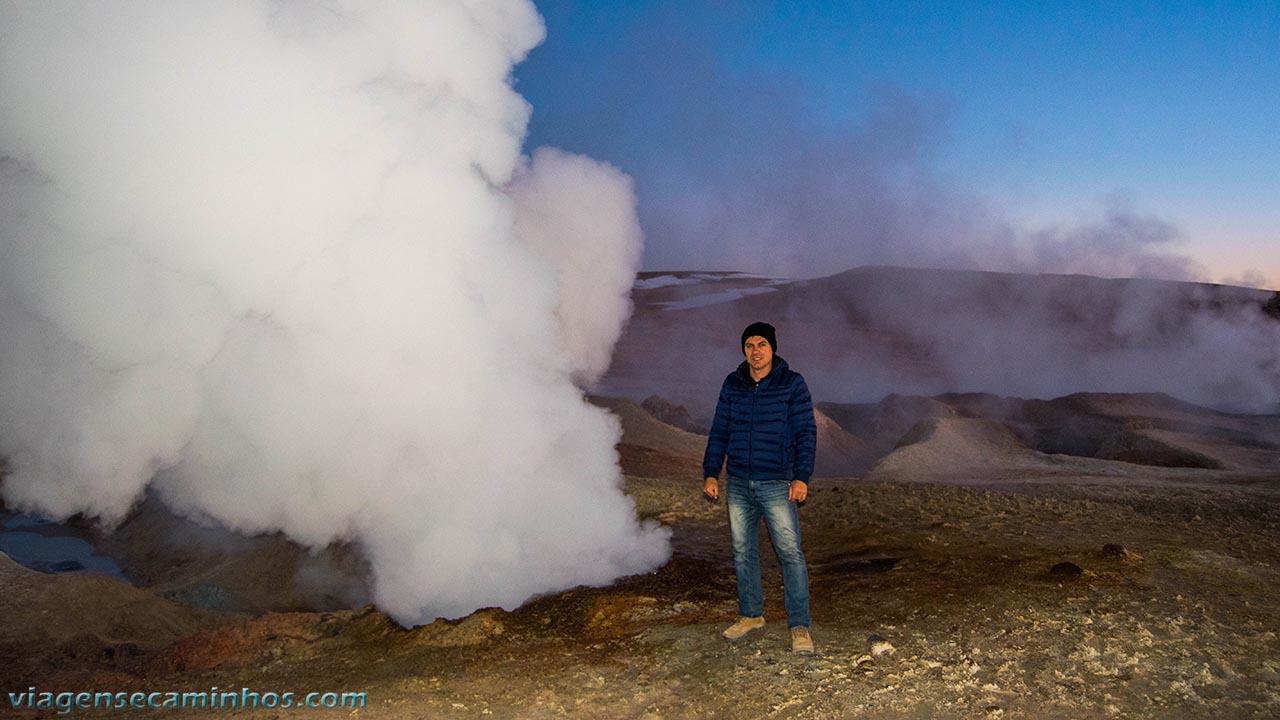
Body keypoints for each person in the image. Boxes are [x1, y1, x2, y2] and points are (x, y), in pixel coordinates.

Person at [702, 321, 818, 655]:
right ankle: (751, 615)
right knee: (743, 551)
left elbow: (806, 433)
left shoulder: (791, 384)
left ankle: (799, 626)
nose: (756, 350)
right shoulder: (733, 384)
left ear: (773, 348)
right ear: (743, 349)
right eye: (750, 344)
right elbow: (719, 429)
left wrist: (801, 477)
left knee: (790, 553)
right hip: (738, 481)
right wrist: (712, 472)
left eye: (762, 344)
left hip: (777, 482)